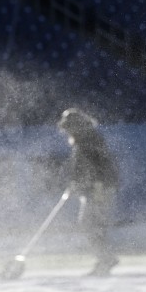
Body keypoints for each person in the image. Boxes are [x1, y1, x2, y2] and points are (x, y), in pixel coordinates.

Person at [58, 108, 120, 277]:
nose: (66, 131)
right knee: (90, 224)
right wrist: (76, 183)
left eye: (69, 127)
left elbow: (99, 167)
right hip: (94, 189)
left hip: (99, 189)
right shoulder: (84, 140)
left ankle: (105, 259)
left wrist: (91, 186)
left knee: (91, 224)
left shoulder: (88, 141)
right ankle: (105, 258)